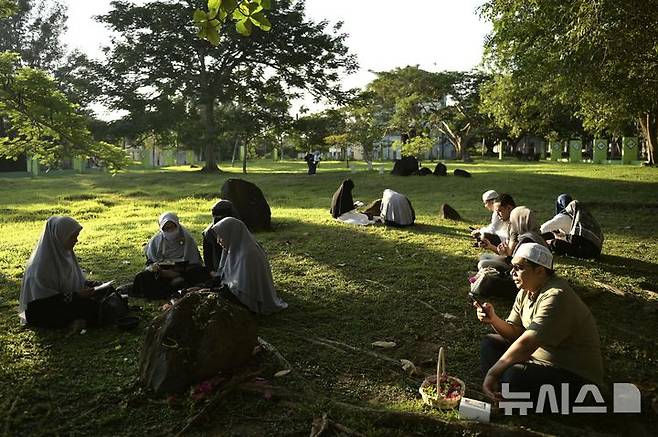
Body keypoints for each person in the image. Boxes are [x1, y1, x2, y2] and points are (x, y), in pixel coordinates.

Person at [475, 243, 603, 404]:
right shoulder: (526, 290)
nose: (512, 272)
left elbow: (526, 343)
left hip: (573, 376)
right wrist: (494, 319)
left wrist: (493, 373)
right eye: (512, 266)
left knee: (514, 376)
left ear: (540, 271)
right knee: (490, 343)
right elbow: (515, 332)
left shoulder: (556, 295)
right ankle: (502, 391)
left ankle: (505, 391)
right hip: (536, 360)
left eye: (519, 267)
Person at [19, 216, 101, 329]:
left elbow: (74, 281)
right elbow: (43, 303)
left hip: (65, 301)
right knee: (91, 308)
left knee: (102, 295)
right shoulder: (41, 266)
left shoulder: (65, 254)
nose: (76, 240)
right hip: (43, 309)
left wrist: (93, 285)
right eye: (72, 237)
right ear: (59, 237)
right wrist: (76, 296)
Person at [211, 217, 287, 315]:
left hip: (249, 300)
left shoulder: (248, 254)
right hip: (237, 293)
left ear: (231, 234)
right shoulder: (235, 248)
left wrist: (215, 292)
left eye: (221, 237)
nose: (218, 241)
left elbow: (244, 291)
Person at [132, 212, 208, 299]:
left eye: (172, 227)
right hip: (163, 274)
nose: (170, 231)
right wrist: (162, 272)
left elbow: (194, 261)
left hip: (184, 273)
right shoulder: (156, 241)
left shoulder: (188, 239)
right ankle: (172, 290)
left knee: (200, 273)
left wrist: (178, 273)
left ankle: (179, 287)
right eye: (166, 229)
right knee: (142, 277)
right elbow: (151, 262)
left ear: (177, 225)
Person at [478, 206, 546, 270]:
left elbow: (515, 263)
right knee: (484, 257)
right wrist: (491, 247)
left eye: (513, 220)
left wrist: (504, 255)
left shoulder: (526, 239)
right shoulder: (532, 235)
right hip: (517, 266)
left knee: (482, 264)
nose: (511, 223)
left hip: (523, 272)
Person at [540, 195, 604, 259]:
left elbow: (541, 229)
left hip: (582, 251)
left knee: (553, 242)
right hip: (595, 253)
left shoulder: (562, 217)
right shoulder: (584, 218)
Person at [202, 200, 240, 276]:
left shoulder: (239, 230)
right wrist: (212, 272)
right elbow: (208, 257)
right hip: (218, 271)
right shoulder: (209, 233)